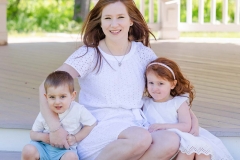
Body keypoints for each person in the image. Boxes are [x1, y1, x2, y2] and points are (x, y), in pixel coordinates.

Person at [39, 1, 199, 160]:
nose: (114, 24)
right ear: (100, 22)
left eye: (120, 17)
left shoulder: (143, 53)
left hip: (138, 124)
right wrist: (55, 128)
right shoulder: (89, 54)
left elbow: (166, 86)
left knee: (170, 140)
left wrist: (192, 118)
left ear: (131, 20)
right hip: (98, 127)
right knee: (141, 138)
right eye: (107, 18)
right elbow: (44, 87)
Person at [143, 57, 234, 160]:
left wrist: (163, 126)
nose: (155, 88)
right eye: (151, 83)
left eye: (161, 83)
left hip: (182, 136)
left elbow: (186, 126)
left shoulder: (178, 102)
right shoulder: (145, 103)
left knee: (199, 151)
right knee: (188, 149)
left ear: (172, 84)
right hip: (161, 143)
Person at [22, 71, 97, 160]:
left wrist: (75, 138)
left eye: (62, 96)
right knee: (28, 150)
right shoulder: (45, 112)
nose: (57, 102)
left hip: (64, 151)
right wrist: (43, 137)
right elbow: (33, 133)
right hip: (43, 148)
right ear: (46, 97)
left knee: (71, 157)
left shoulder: (78, 110)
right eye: (52, 97)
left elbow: (91, 124)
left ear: (72, 96)